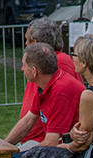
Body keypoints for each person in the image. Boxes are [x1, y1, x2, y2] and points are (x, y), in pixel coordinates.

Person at [0, 43, 85, 158]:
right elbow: (28, 120)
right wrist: (3, 148)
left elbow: (51, 142)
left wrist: (16, 155)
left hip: (70, 154)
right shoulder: (45, 84)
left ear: (34, 71)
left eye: (24, 65)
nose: (22, 69)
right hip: (56, 149)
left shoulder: (61, 91)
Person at [19, 18, 84, 147]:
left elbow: (60, 112)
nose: (25, 43)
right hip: (36, 139)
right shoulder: (43, 66)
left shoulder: (58, 65)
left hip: (43, 140)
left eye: (27, 40)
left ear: (35, 43)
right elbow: (31, 116)